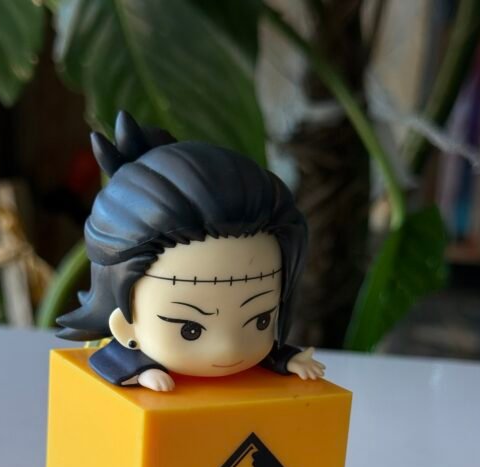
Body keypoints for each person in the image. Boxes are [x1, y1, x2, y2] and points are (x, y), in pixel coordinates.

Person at [57, 111, 325, 391]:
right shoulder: (123, 355)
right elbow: (106, 360)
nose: (228, 348)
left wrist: (288, 359)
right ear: (125, 325)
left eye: (261, 320)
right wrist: (140, 371)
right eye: (190, 329)